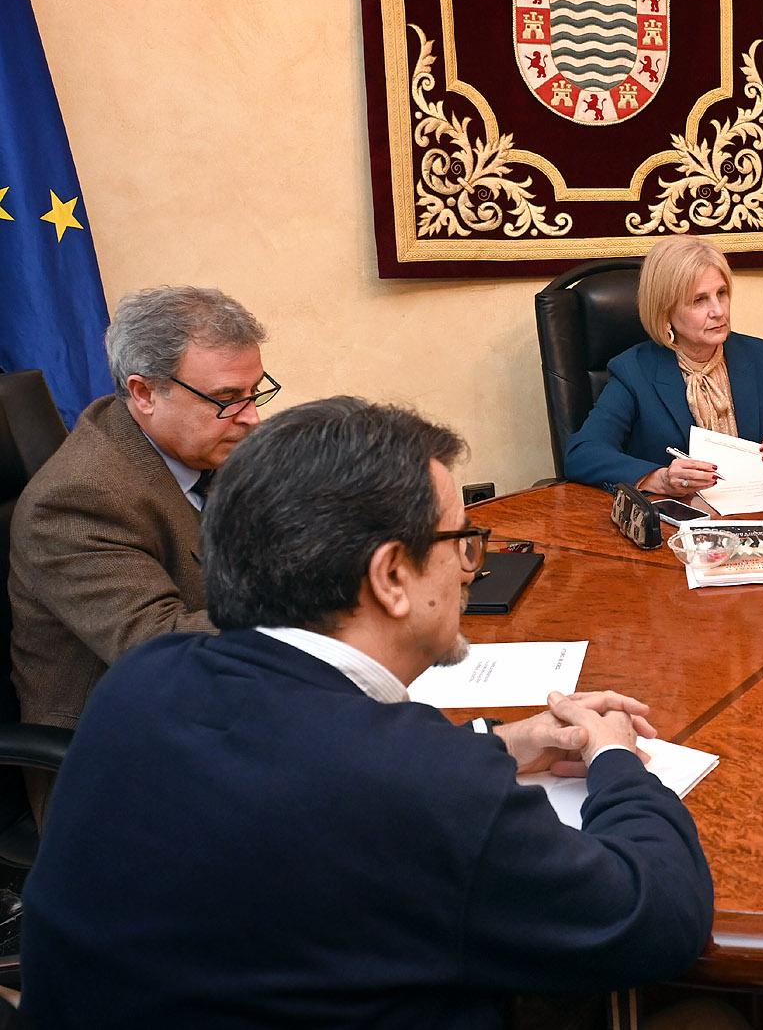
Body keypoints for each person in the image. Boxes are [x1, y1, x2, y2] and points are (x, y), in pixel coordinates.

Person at [21, 398, 714, 1026]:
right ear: (390, 576)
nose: (471, 566)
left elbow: (307, 773)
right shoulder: (419, 787)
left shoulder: (142, 680)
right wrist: (617, 757)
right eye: (460, 540)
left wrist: (501, 742)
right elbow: (658, 918)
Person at [8, 285, 273, 734]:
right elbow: (163, 650)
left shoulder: (208, 447)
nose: (251, 417)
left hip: (226, 701)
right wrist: (322, 609)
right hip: (126, 746)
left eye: (255, 392)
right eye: (227, 398)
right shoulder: (78, 499)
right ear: (144, 393)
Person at [563, 235, 763, 494]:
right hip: (680, 520)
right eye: (699, 300)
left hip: (761, 510)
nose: (718, 310)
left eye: (721, 293)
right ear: (666, 313)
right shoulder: (634, 371)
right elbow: (582, 454)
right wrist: (659, 478)